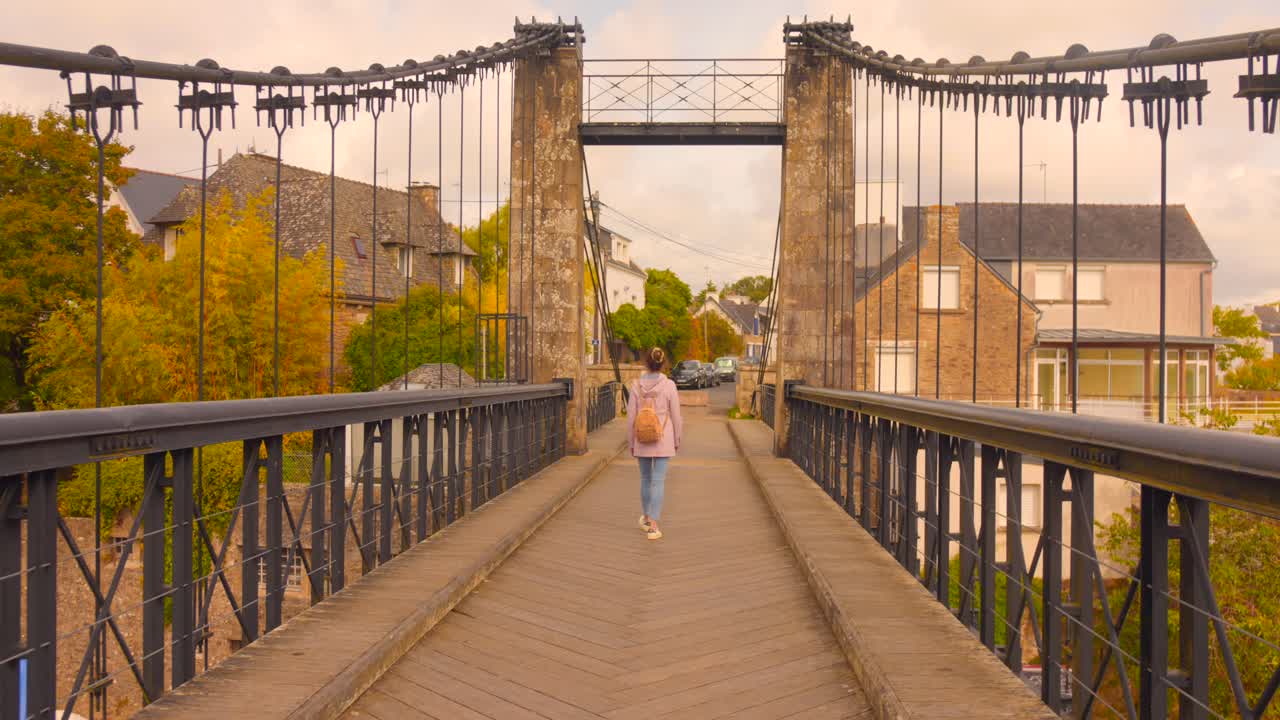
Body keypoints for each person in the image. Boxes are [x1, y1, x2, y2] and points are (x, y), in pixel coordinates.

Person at [627, 346, 683, 540]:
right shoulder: (669, 386)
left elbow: (631, 417)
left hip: (642, 438)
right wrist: (676, 438)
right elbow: (676, 415)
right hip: (663, 438)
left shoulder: (636, 385)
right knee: (658, 481)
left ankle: (646, 518)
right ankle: (654, 526)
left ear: (646, 362)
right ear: (663, 363)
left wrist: (631, 442)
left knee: (645, 479)